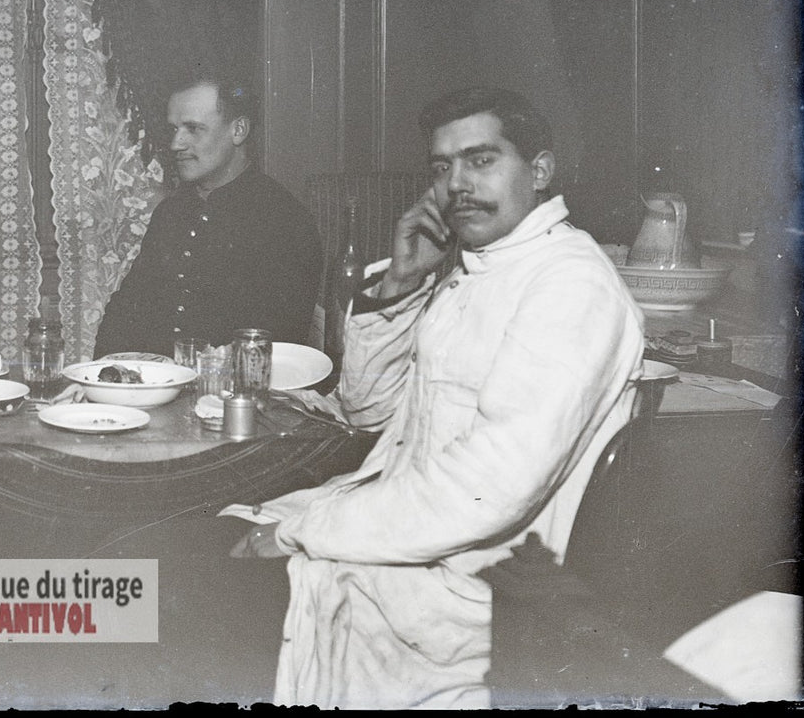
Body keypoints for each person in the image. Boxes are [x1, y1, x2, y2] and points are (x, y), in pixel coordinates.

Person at [226, 86, 645, 708]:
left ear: (540, 170)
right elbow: (367, 412)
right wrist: (400, 283)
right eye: (442, 167)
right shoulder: (475, 266)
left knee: (166, 596)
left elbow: (489, 488)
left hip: (468, 586)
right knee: (161, 561)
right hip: (401, 540)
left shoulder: (569, 284)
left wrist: (302, 533)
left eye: (481, 160)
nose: (456, 185)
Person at [93, 72, 323, 357]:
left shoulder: (284, 220)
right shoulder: (170, 213)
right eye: (174, 129)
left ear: (238, 130)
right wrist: (104, 375)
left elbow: (278, 342)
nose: (177, 143)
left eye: (193, 128)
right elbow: (126, 310)